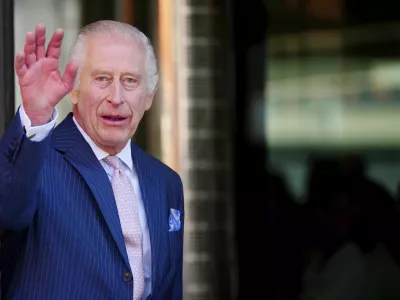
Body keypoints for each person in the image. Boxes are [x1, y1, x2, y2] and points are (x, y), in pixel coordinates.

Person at [0, 20, 184, 300]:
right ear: (73, 88)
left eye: (130, 81)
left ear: (149, 97)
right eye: (102, 79)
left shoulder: (166, 183)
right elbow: (8, 211)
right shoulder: (36, 163)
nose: (117, 97)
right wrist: (35, 117)